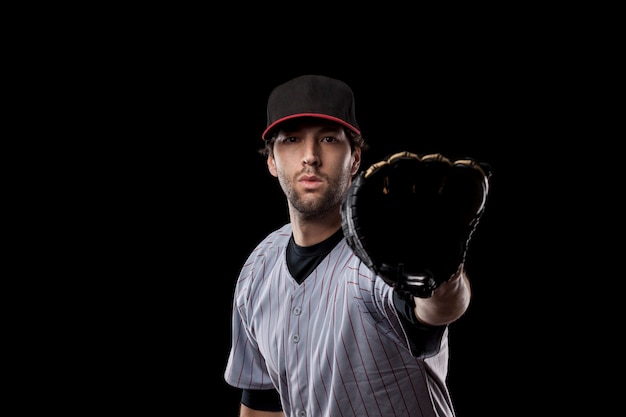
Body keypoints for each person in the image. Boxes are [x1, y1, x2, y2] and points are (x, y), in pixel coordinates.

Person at [224, 74, 473, 417]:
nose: (310, 156)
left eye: (328, 139)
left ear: (355, 157)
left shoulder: (382, 251)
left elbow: (435, 309)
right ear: (271, 160)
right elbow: (262, 404)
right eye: (292, 139)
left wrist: (443, 278)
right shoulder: (258, 268)